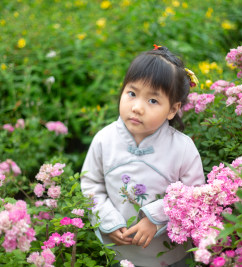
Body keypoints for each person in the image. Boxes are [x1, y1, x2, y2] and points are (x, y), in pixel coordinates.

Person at [80, 45, 205, 267]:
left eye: (153, 101)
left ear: (172, 109)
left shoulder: (182, 148)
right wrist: (108, 222)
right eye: (132, 93)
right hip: (120, 251)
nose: (137, 107)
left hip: (170, 256)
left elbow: (194, 194)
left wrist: (155, 220)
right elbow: (91, 184)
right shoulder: (104, 140)